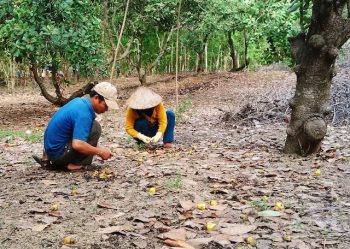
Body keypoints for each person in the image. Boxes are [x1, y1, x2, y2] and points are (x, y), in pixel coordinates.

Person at [33, 82, 119, 171]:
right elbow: (78, 144)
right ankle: (74, 164)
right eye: (105, 105)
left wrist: (100, 148)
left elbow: (79, 134)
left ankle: (55, 161)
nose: (106, 109)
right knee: (95, 128)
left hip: (52, 151)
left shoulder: (79, 102)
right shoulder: (84, 113)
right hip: (58, 155)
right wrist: (100, 152)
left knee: (93, 126)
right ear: (96, 98)